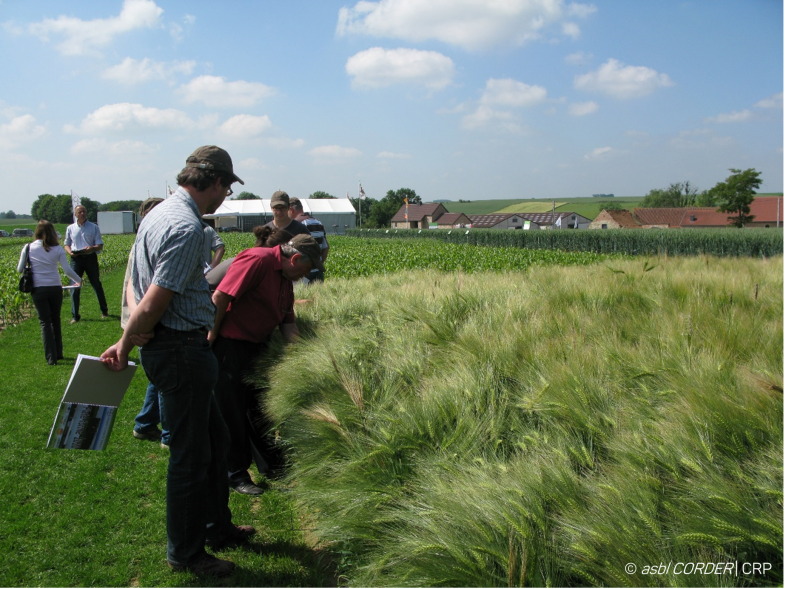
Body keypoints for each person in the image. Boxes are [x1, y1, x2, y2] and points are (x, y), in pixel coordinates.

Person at [101, 145, 254, 577]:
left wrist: (129, 329)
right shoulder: (186, 227)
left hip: (178, 348)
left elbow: (133, 281)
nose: (227, 195)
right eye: (228, 185)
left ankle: (216, 528)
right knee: (189, 456)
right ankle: (186, 553)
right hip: (181, 351)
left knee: (216, 442)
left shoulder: (157, 214)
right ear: (217, 182)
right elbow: (153, 300)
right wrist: (127, 341)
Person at [210, 232, 323, 495]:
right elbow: (221, 297)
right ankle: (235, 474)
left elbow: (288, 323)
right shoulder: (257, 260)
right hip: (230, 347)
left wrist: (302, 358)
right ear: (294, 259)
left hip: (256, 349)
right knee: (232, 413)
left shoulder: (285, 279)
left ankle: (273, 466)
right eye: (306, 269)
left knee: (260, 410)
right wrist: (211, 335)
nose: (305, 276)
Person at [123, 198, 170, 449]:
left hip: (143, 318)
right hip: (145, 319)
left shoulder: (146, 239)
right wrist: (140, 323)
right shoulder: (145, 242)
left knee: (156, 376)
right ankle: (169, 435)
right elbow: (138, 287)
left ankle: (144, 424)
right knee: (165, 377)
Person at [17, 221, 82, 365]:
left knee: (44, 322)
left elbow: (19, 269)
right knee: (55, 320)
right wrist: (79, 280)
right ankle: (59, 353)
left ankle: (50, 357)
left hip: (38, 289)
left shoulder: (28, 247)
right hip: (55, 288)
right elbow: (67, 270)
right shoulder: (57, 249)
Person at [64, 204, 109, 324]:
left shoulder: (93, 227)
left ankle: (104, 311)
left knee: (96, 284)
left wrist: (92, 248)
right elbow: (66, 244)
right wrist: (70, 253)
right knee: (74, 287)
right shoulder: (70, 228)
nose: (82, 214)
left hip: (90, 258)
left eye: (84, 211)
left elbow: (100, 245)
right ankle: (75, 316)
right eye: (79, 212)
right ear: (75, 214)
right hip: (76, 259)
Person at [288, 197, 330, 283]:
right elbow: (326, 247)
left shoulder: (296, 225)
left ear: (291, 210)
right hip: (318, 271)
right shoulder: (318, 223)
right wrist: (319, 264)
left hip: (302, 272)